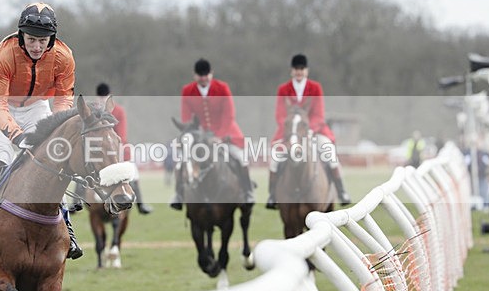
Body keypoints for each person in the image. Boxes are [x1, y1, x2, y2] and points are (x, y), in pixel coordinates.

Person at [0, 2, 83, 259]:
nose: (37, 46)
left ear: (52, 39)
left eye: (43, 41)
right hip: (2, 107)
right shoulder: (4, 54)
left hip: (37, 107)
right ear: (21, 35)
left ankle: (67, 227)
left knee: (54, 166)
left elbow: (64, 99)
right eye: (31, 39)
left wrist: (55, 129)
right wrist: (16, 135)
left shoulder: (64, 57)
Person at [266, 54, 351, 208]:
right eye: (296, 69)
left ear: (307, 70)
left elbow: (319, 114)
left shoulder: (315, 88)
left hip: (315, 131)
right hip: (289, 132)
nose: (299, 72)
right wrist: (291, 130)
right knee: (275, 160)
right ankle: (272, 195)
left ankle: (341, 191)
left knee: (330, 154)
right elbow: (280, 115)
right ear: (291, 71)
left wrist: (309, 130)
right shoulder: (283, 89)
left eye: (302, 68)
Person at [170, 58, 254, 210]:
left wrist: (219, 137)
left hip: (226, 133)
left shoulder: (222, 88)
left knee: (240, 158)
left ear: (211, 74)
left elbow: (229, 115)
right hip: (199, 137)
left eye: (206, 75)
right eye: (200, 75)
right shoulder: (187, 91)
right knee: (181, 162)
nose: (203, 78)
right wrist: (195, 136)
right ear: (195, 76)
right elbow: (187, 118)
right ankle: (179, 195)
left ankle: (247, 192)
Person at [94, 83, 152, 214]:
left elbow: (122, 135)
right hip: (99, 152)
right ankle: (76, 203)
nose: (102, 100)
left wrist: (113, 150)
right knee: (83, 172)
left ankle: (141, 205)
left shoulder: (119, 111)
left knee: (134, 174)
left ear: (109, 97)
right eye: (100, 98)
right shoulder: (93, 112)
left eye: (104, 98)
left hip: (119, 150)